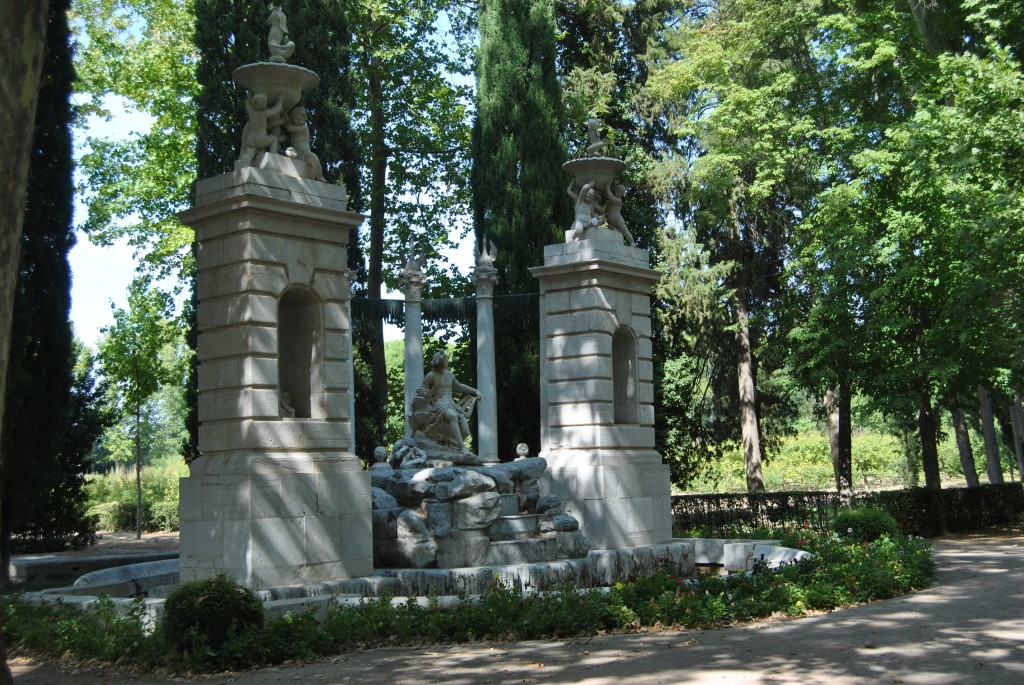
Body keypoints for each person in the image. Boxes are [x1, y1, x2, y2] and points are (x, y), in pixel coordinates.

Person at [413, 351, 481, 453]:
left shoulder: (450, 375)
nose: (447, 361)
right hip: (440, 404)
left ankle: (453, 445)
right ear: (440, 362)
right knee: (453, 416)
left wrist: (474, 390)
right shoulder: (431, 376)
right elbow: (420, 389)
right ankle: (463, 447)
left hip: (452, 404)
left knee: (466, 432)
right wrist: (426, 393)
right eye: (445, 359)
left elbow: (459, 386)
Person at [240, 91, 286, 166]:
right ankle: (273, 152)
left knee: (248, 154)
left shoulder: (251, 112)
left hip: (251, 140)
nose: (265, 104)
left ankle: (245, 165)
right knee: (274, 138)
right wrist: (280, 100)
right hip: (261, 139)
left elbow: (247, 105)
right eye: (264, 102)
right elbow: (276, 109)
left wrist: (249, 96)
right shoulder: (264, 114)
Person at [284, 106, 324, 181]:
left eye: (301, 119)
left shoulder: (304, 128)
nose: (299, 121)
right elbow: (287, 123)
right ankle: (293, 155)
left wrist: (285, 117)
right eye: (297, 119)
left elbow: (288, 127)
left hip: (306, 154)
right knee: (289, 150)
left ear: (304, 119)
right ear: (293, 119)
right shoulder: (293, 126)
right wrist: (285, 114)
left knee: (314, 158)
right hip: (297, 152)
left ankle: (319, 176)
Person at [603, 181, 635, 246]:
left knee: (625, 230)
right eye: (618, 192)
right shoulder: (614, 196)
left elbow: (610, 196)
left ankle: (632, 242)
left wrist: (607, 188)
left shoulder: (619, 200)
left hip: (617, 218)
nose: (619, 195)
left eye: (621, 194)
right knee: (613, 231)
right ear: (615, 191)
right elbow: (608, 195)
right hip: (611, 219)